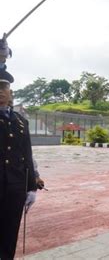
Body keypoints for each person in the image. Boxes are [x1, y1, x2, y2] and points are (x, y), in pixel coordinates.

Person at [0, 69, 37, 259]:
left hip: (15, 187)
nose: (0, 91)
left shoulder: (21, 122)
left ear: (10, 91)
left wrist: (31, 187)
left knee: (10, 234)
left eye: (4, 86)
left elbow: (27, 155)